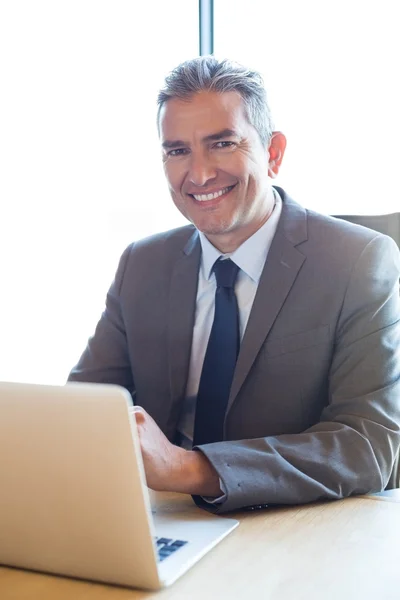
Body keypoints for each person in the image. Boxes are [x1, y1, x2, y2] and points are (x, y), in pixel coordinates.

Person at [68, 56, 400, 513]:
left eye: (222, 143)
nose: (199, 174)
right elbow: (84, 407)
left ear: (274, 153)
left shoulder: (358, 261)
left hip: (289, 524)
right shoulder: (142, 263)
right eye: (177, 150)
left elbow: (368, 444)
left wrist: (188, 468)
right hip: (159, 516)